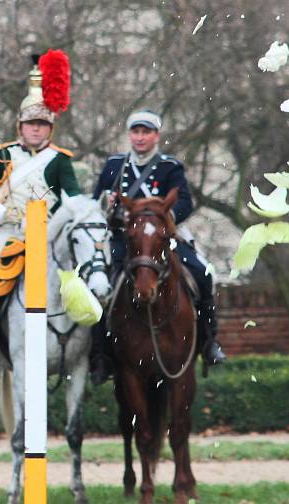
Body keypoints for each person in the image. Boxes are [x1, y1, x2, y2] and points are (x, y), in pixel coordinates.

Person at [89, 109, 226, 385]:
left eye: (146, 132)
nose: (140, 138)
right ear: (130, 135)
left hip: (163, 238)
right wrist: (110, 203)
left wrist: (161, 221)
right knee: (101, 286)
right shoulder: (115, 165)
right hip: (123, 239)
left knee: (203, 273)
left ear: (156, 136)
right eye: (135, 132)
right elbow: (96, 203)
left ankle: (210, 341)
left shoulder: (169, 167)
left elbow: (184, 202)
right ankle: (101, 355)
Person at [0, 50, 81, 371]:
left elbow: (72, 197)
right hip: (9, 233)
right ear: (20, 125)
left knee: (88, 279)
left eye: (42, 124)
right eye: (31, 123)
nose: (36, 129)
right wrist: (1, 213)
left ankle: (94, 350)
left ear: (50, 129)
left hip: (48, 237)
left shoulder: (61, 160)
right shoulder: (1, 155)